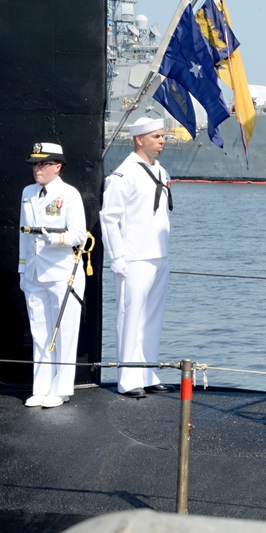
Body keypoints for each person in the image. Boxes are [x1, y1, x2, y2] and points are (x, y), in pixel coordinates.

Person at [100, 117, 174, 398]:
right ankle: (129, 378)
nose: (162, 141)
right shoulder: (125, 173)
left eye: (162, 136)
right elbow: (109, 219)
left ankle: (147, 371)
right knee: (130, 317)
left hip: (159, 255)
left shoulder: (160, 169)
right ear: (139, 139)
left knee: (152, 317)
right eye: (156, 136)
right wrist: (117, 257)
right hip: (134, 257)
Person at [19, 142, 86, 409]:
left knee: (64, 333)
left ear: (57, 167)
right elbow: (23, 236)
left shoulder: (69, 194)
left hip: (62, 272)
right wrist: (23, 270)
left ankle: (61, 388)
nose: (37, 169)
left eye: (43, 164)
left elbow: (78, 234)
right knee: (40, 332)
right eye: (35, 164)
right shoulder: (28, 193)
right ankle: (42, 387)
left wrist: (54, 239)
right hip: (35, 272)